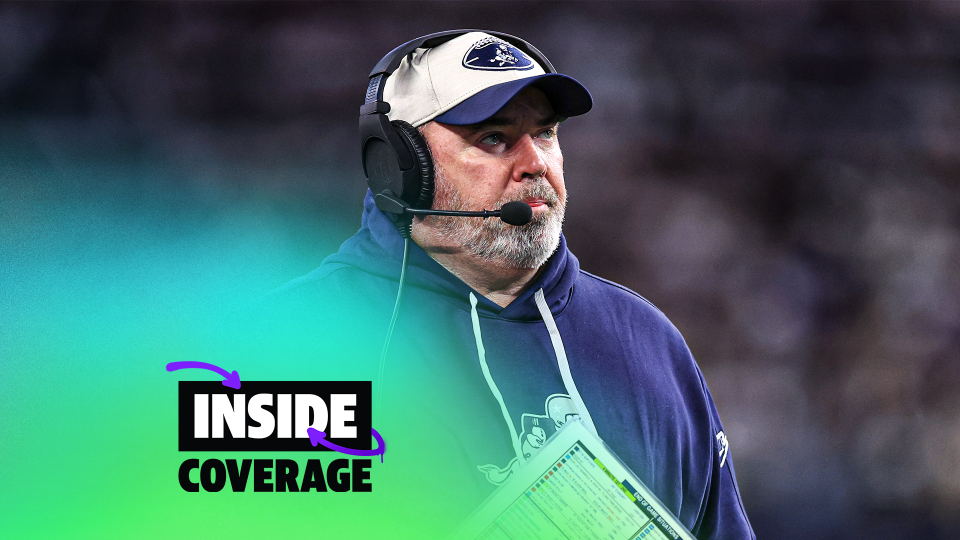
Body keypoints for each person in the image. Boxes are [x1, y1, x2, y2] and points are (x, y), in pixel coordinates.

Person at [256, 30, 754, 539]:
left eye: (546, 134)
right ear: (399, 166)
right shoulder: (277, 347)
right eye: (494, 138)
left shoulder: (648, 342)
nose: (535, 164)